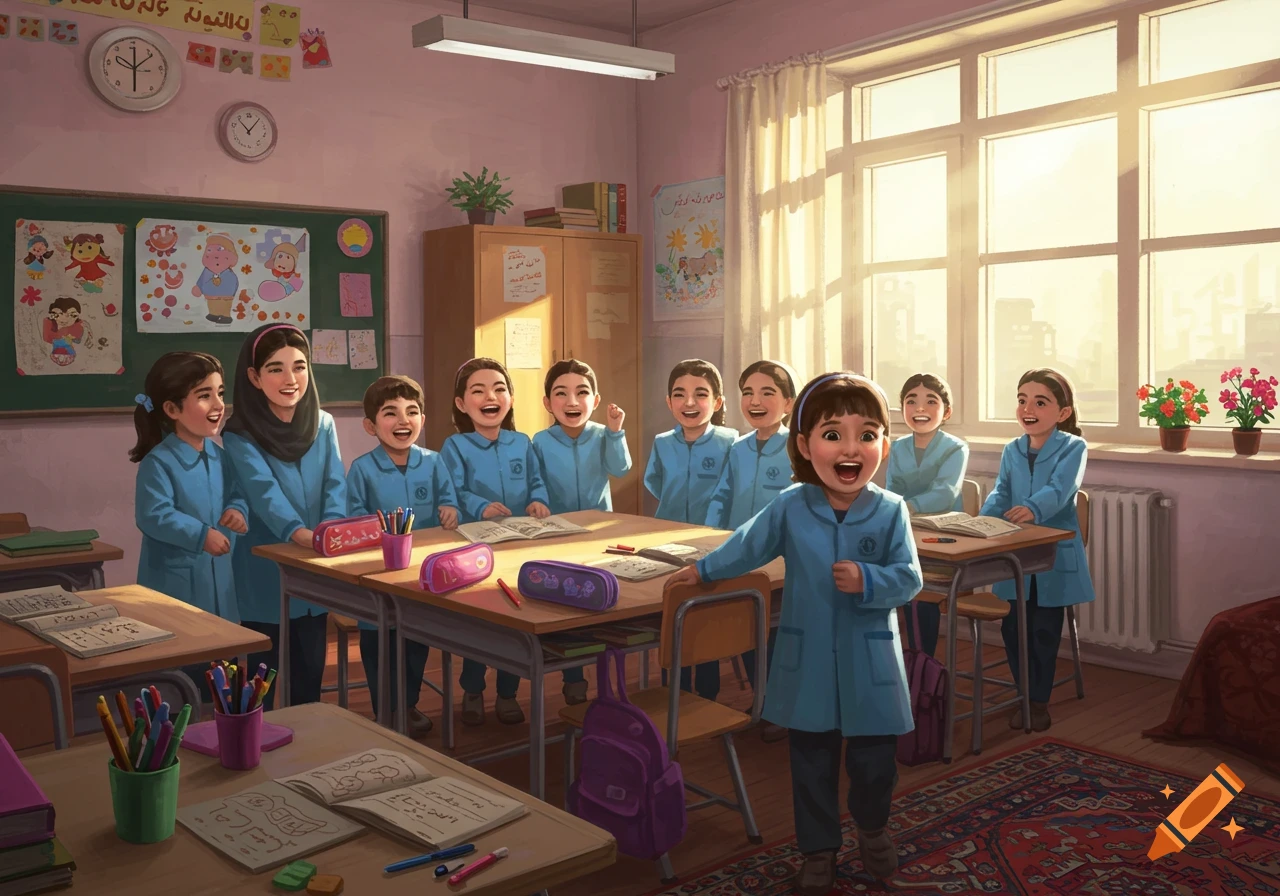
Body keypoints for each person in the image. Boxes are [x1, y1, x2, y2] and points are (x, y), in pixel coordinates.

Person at [669, 372, 921, 893]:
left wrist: (869, 579)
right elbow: (747, 545)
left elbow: (910, 579)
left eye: (866, 435)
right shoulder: (791, 505)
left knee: (875, 764)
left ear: (884, 445)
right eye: (832, 435)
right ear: (805, 446)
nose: (850, 449)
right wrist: (703, 570)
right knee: (811, 764)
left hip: (870, 661)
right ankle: (818, 852)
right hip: (808, 662)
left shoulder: (891, 511)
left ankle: (872, 827)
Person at [222, 324, 346, 709]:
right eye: (275, 369)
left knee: (309, 667)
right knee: (264, 673)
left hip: (316, 562)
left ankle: (307, 734)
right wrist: (298, 533)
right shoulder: (239, 433)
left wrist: (330, 528)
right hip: (265, 566)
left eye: (299, 366)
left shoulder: (323, 423)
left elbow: (335, 482)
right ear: (254, 377)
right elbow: (263, 492)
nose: (291, 379)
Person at [980, 367, 1093, 732]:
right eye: (1022, 400)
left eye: (1040, 402)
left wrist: (1032, 507)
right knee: (1013, 629)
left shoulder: (1074, 447)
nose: (1028, 409)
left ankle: (1038, 702)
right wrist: (982, 521)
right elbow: (1001, 491)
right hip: (1016, 554)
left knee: (1043, 632)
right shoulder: (1012, 449)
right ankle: (1023, 693)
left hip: (1053, 556)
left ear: (1063, 412)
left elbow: (1061, 489)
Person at [347, 375, 459, 735]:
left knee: (415, 643)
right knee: (378, 643)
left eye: (412, 412)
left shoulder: (434, 462)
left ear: (422, 420)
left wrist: (450, 509)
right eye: (390, 413)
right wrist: (374, 529)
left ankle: (408, 704)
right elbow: (354, 515)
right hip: (378, 575)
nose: (403, 420)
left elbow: (449, 498)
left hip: (421, 574)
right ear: (370, 426)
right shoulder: (362, 468)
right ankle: (384, 709)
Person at [131, 352, 247, 698]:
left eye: (220, 393)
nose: (219, 405)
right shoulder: (159, 463)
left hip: (220, 591)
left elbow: (238, 494)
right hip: (176, 591)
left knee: (222, 676)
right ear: (172, 409)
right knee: (181, 682)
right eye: (204, 395)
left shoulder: (220, 456)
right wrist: (201, 535)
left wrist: (237, 511)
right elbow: (153, 515)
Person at [441, 358, 549, 726]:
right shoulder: (455, 446)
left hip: (519, 544)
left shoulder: (522, 442)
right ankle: (472, 689)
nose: (490, 397)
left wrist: (538, 500)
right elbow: (454, 489)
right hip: (477, 547)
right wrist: (480, 506)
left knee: (516, 619)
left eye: (499, 389)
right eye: (479, 390)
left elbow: (536, 481)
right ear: (461, 403)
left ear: (511, 398)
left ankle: (507, 693)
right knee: (482, 622)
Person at [706, 359, 798, 742]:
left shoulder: (797, 448)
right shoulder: (738, 448)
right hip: (740, 554)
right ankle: (762, 701)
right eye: (748, 393)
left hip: (781, 560)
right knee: (744, 627)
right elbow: (722, 494)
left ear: (788, 403)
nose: (755, 401)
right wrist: (710, 535)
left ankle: (780, 707)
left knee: (774, 634)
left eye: (767, 393)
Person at [531, 358, 631, 704]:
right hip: (556, 536)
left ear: (596, 400)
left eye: (582, 392)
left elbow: (621, 468)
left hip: (598, 536)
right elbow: (536, 482)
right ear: (547, 403)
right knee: (566, 605)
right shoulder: (540, 441)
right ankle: (573, 678)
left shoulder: (604, 435)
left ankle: (605, 680)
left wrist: (616, 431)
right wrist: (539, 505)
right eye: (561, 393)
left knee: (601, 604)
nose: (572, 401)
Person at [644, 358, 736, 700]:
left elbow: (731, 488)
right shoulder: (662, 442)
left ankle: (708, 690)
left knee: (704, 615)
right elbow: (653, 480)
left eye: (701, 394)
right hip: (667, 540)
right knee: (672, 610)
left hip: (711, 541)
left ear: (718, 401)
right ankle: (675, 687)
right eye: (679, 394)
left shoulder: (730, 441)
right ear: (669, 402)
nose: (689, 402)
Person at [884, 372, 968, 659]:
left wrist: (908, 506)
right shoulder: (897, 447)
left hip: (944, 539)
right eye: (911, 401)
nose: (920, 408)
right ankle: (902, 661)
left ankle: (922, 663)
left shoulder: (955, 447)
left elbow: (946, 492)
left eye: (931, 401)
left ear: (947, 412)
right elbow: (892, 489)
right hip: (907, 534)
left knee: (919, 594)